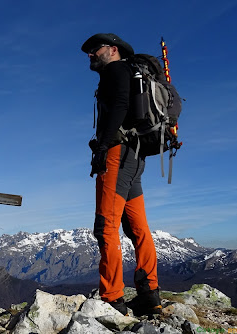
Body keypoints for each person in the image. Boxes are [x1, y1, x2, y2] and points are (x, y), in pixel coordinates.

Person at [81, 33, 162, 316]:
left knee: (106, 226)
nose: (90, 55)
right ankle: (150, 293)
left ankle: (112, 297)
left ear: (112, 50)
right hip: (135, 157)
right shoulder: (131, 72)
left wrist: (103, 146)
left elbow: (120, 105)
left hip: (116, 154)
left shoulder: (115, 70)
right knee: (137, 227)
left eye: (95, 50)